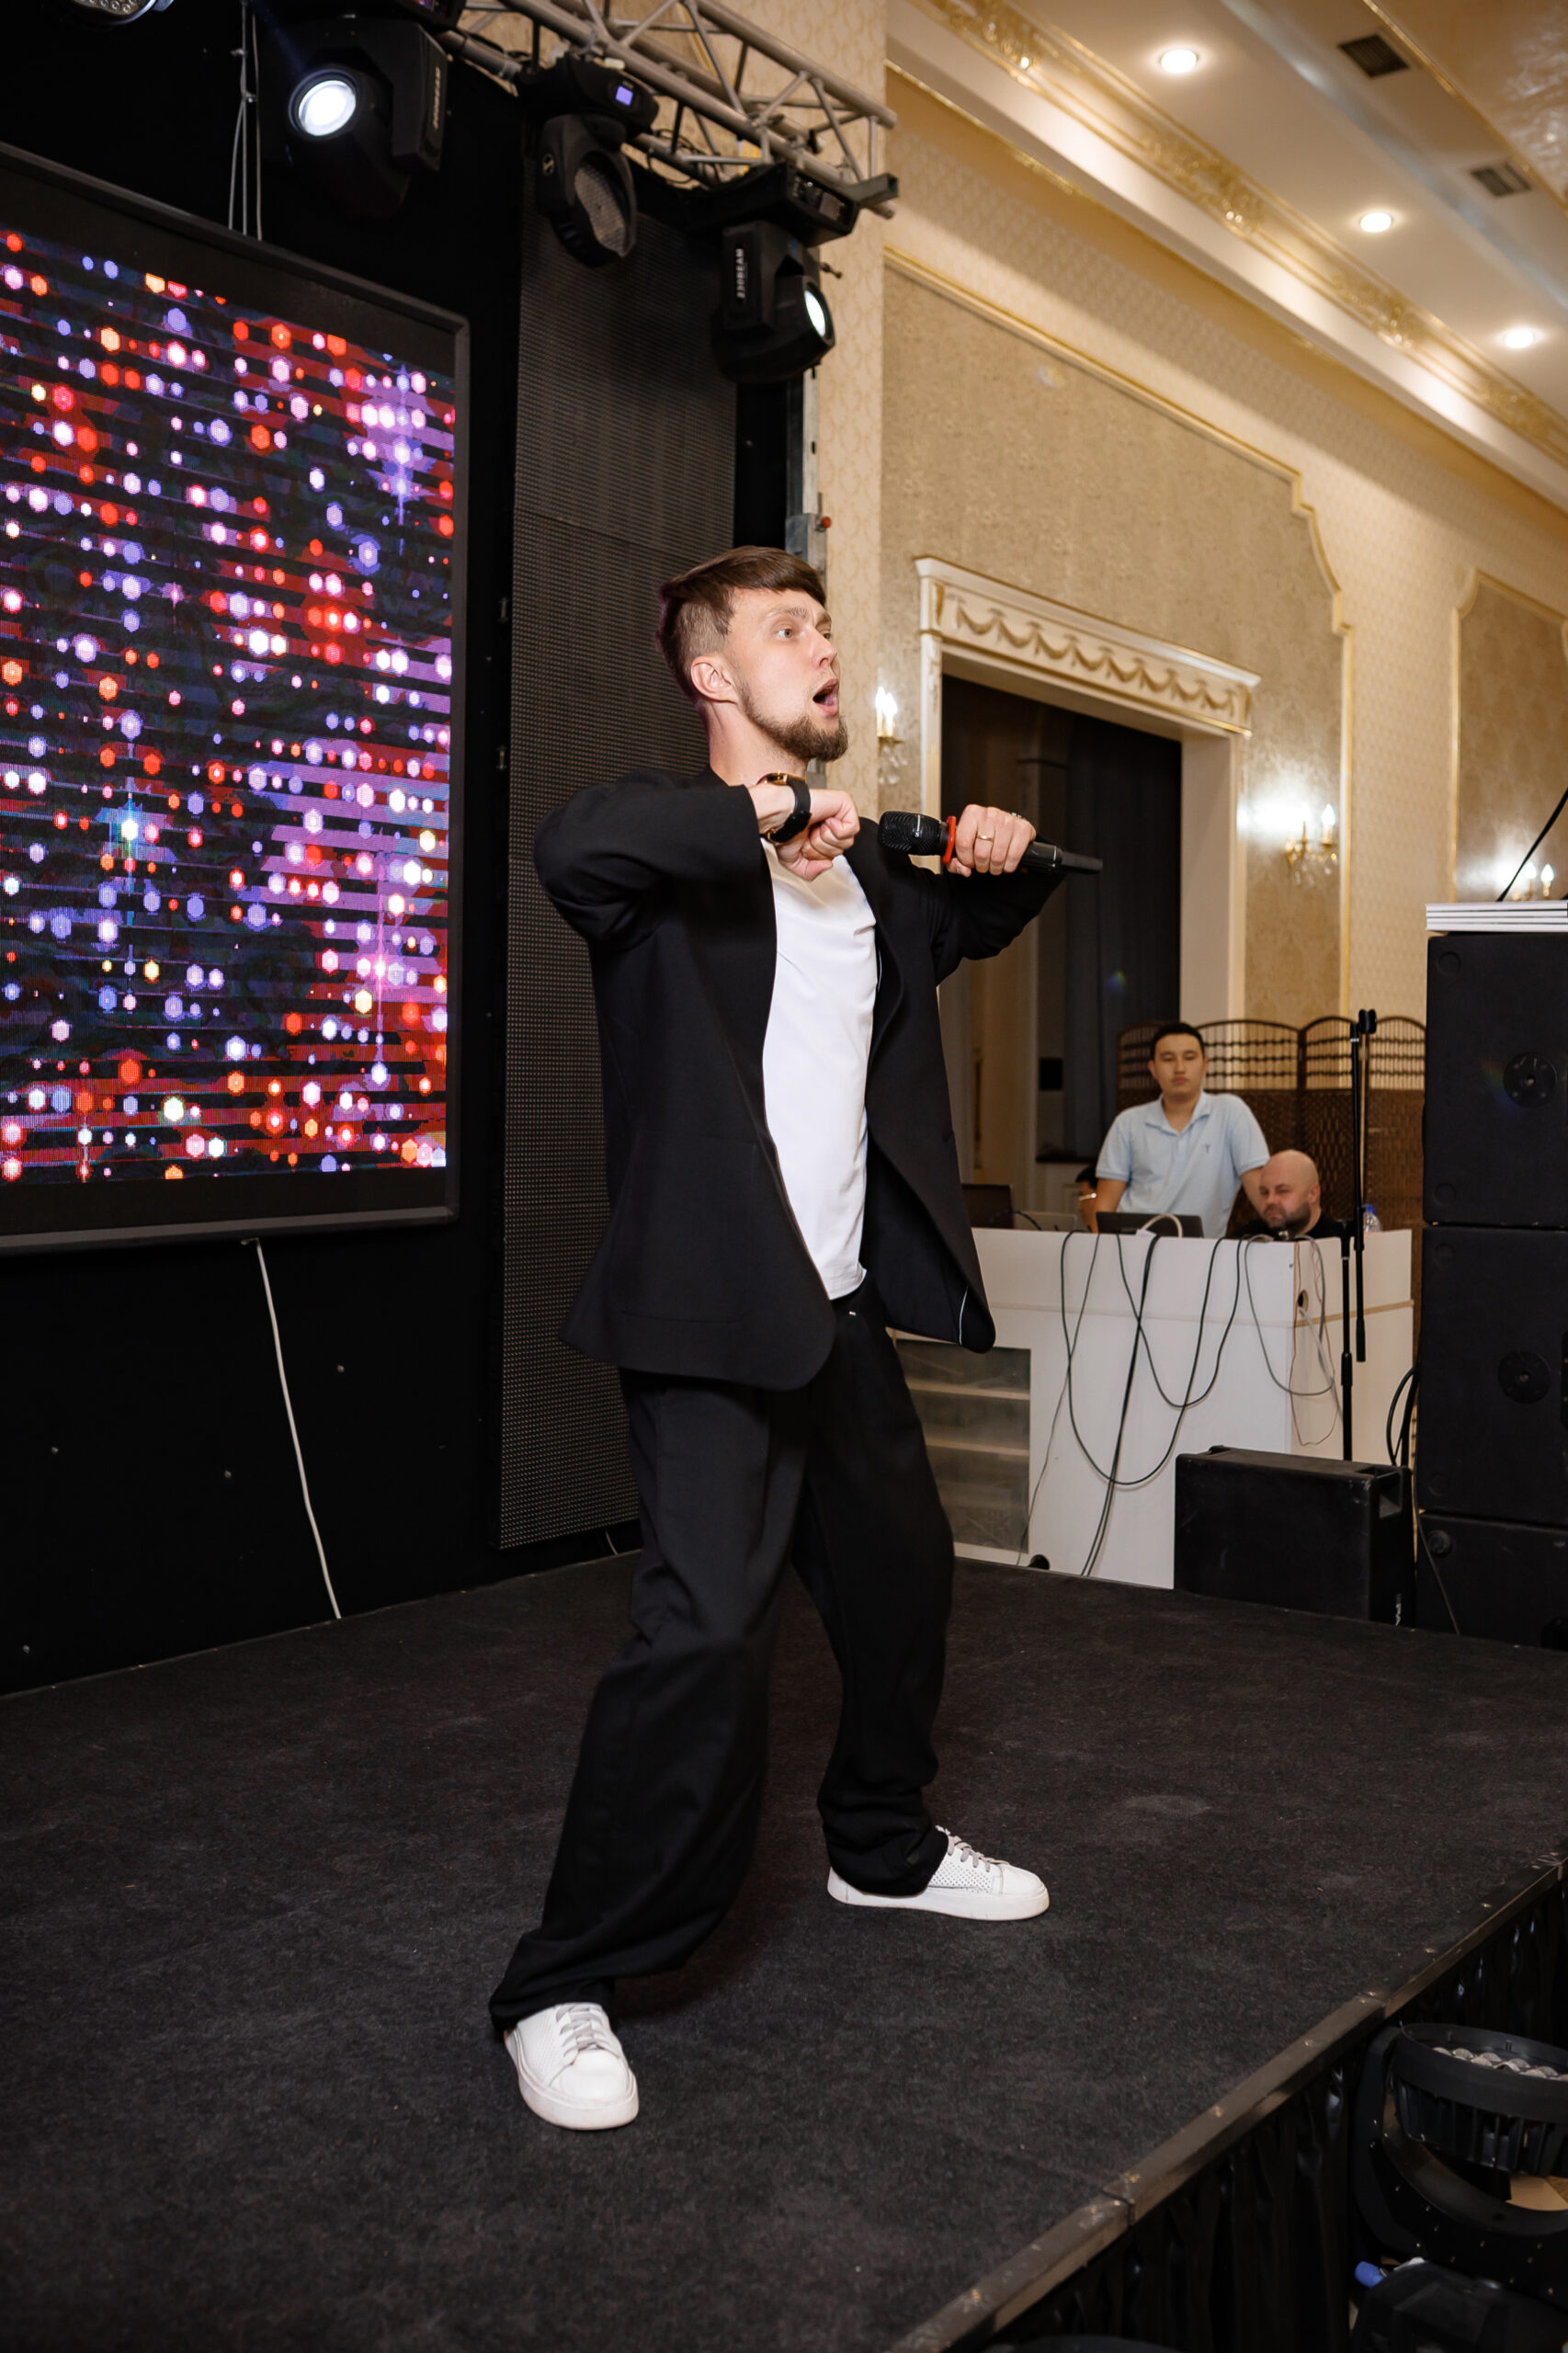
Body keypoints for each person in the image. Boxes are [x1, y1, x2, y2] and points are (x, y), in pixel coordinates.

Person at [490, 545, 1057, 2134]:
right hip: (707, 1320)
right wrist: (758, 813)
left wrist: (1001, 850)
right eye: (787, 628)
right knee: (702, 1643)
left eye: (824, 625)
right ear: (711, 671)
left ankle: (881, 1848)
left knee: (902, 1584)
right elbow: (566, 844)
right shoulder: (658, 857)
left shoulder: (868, 876)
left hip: (836, 1312)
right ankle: (559, 1983)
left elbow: (985, 914)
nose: (823, 647)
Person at [1092, 1021, 1267, 1240]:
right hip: (1132, 1246)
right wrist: (1102, 1251)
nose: (1179, 1068)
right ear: (1153, 1069)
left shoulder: (1231, 1112)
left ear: (1205, 1065)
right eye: (1168, 1059)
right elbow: (1104, 1207)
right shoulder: (1127, 1122)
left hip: (1202, 1252)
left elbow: (1262, 1193)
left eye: (1189, 1057)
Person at [1237, 1148, 1347, 1243]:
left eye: (1282, 1191)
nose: (1270, 1200)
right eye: (1264, 1192)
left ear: (1313, 1194)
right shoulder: (1247, 1241)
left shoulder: (1341, 1245)